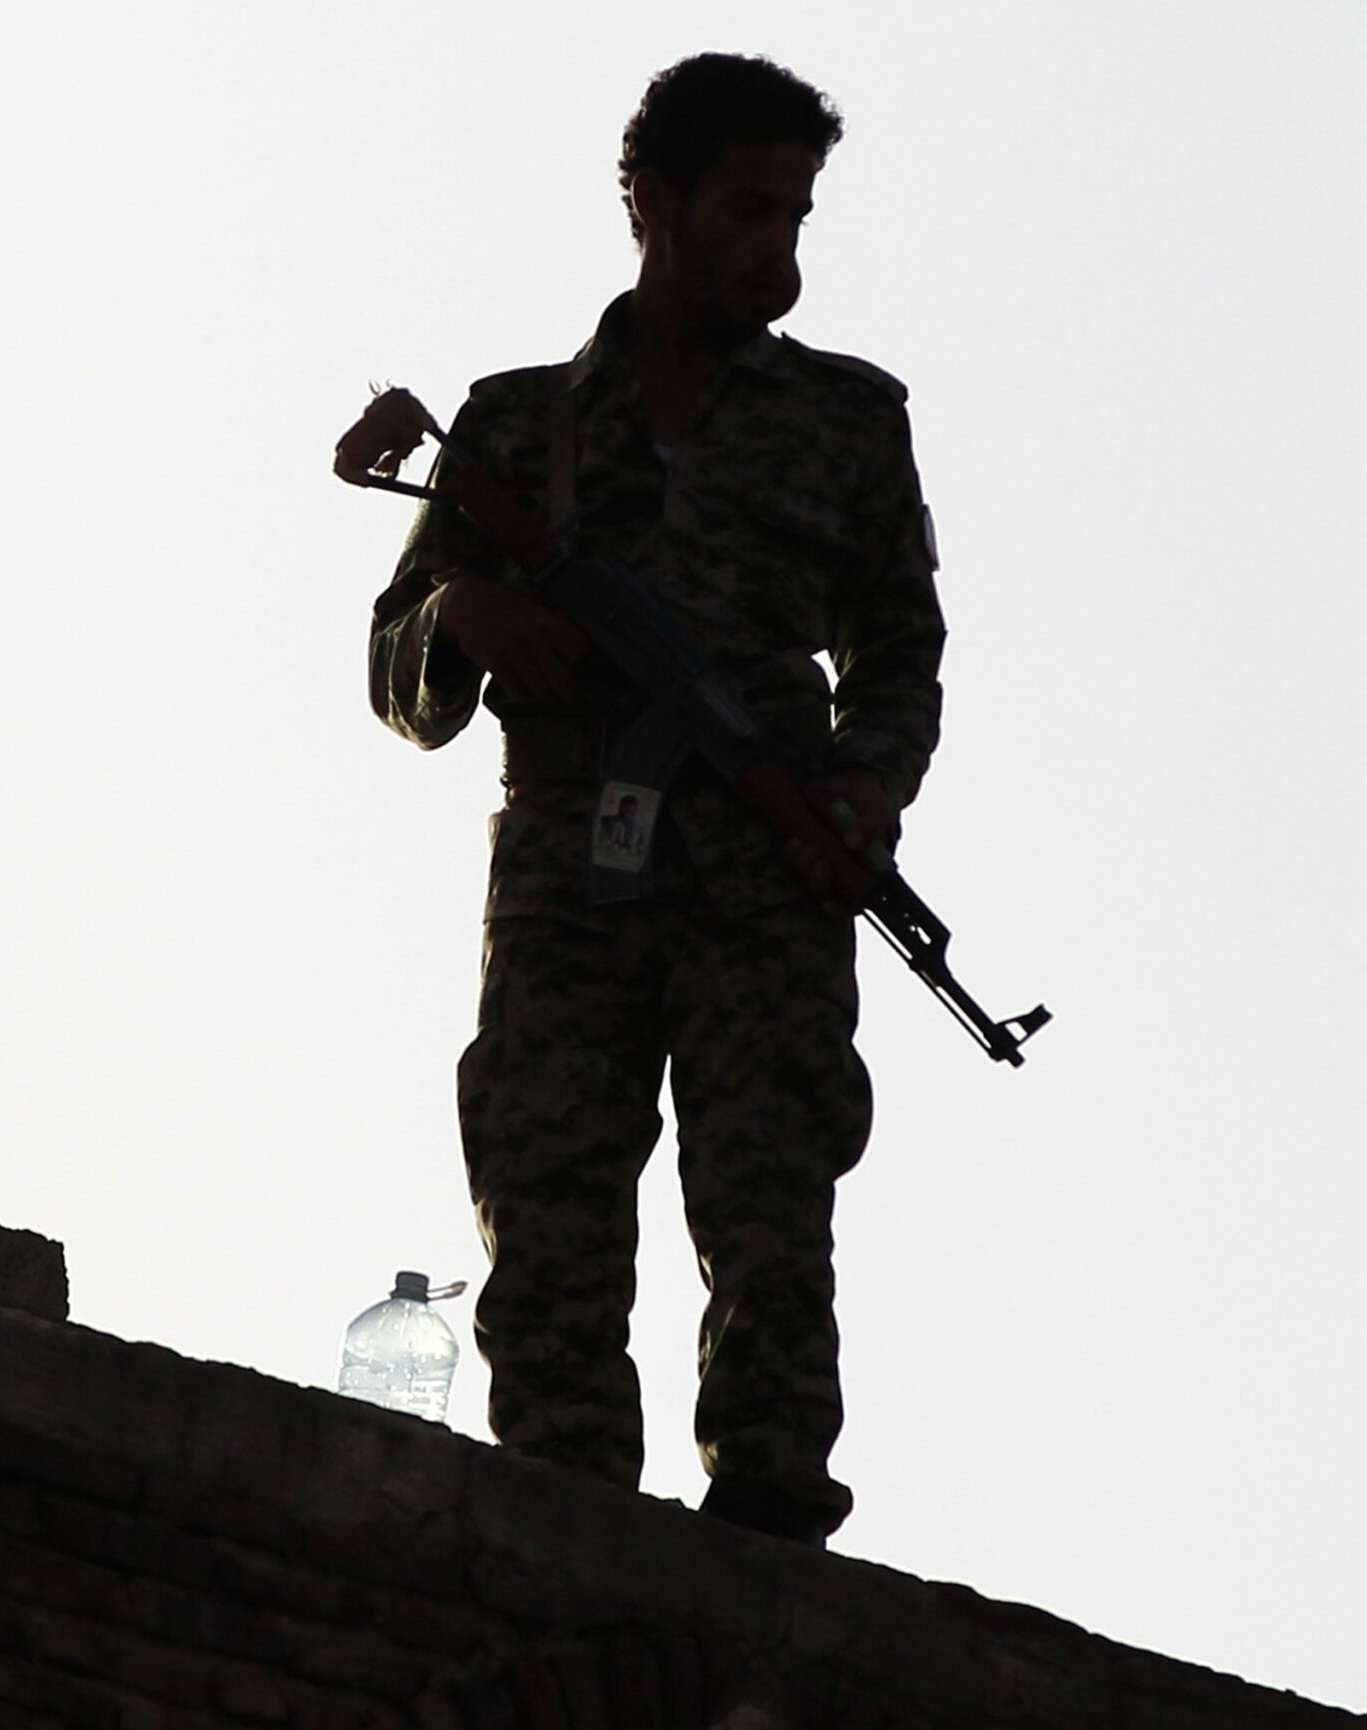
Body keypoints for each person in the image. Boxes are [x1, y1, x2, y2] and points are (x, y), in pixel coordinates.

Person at [367, 52, 945, 1545]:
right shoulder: (514, 427)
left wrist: (863, 794)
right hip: (571, 871)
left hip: (766, 867)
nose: (780, 249)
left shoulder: (846, 421)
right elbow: (398, 668)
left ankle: (768, 1516)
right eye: (749, 210)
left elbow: (901, 651)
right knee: (548, 1193)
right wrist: (467, 618)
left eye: (797, 214)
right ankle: (562, 1525)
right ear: (653, 202)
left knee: (770, 1200)